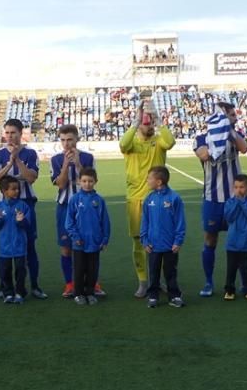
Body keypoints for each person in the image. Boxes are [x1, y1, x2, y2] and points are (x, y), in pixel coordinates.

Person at [193, 101, 247, 297]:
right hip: (213, 199)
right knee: (210, 239)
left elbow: (244, 148)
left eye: (234, 116)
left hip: (236, 199)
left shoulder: (236, 136)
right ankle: (209, 282)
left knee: (241, 241)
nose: (235, 118)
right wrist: (219, 134)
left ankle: (245, 283)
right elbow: (204, 155)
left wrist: (230, 131)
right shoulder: (202, 138)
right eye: (231, 115)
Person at [120, 100, 176, 297]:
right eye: (146, 122)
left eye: (150, 122)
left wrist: (158, 120)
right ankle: (143, 281)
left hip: (159, 200)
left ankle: (158, 280)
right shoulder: (132, 143)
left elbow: (170, 142)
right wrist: (136, 121)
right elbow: (122, 143)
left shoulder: (159, 141)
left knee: (162, 241)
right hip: (136, 199)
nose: (148, 125)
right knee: (139, 242)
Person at [0, 118, 47, 299]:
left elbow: (31, 177)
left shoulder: (30, 154)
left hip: (26, 205)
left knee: (29, 245)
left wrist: (17, 160)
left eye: (13, 132)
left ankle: (34, 286)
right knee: (5, 245)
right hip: (5, 207)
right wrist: (9, 163)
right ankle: (4, 286)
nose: (9, 136)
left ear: (21, 134)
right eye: (6, 132)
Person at [50, 124, 105, 298]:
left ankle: (92, 283)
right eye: (63, 140)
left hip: (87, 208)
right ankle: (70, 284)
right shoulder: (56, 159)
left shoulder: (88, 157)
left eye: (70, 140)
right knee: (67, 248)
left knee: (89, 245)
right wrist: (66, 164)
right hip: (65, 206)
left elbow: (90, 179)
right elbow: (60, 184)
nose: (66, 144)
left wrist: (78, 163)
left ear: (77, 140)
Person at [140, 166, 186, 308]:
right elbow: (145, 221)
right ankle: (153, 296)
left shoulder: (174, 198)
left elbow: (180, 221)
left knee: (170, 272)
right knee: (153, 272)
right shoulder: (149, 199)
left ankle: (174, 295)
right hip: (153, 245)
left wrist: (178, 241)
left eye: (149, 178)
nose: (147, 181)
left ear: (159, 182)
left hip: (170, 245)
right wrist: (145, 240)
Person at [64, 167, 110, 306]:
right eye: (84, 181)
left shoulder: (99, 200)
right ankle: (78, 294)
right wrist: (75, 236)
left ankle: (90, 292)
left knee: (92, 269)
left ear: (95, 181)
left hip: (95, 242)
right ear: (79, 182)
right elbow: (69, 222)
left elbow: (105, 222)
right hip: (79, 242)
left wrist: (105, 239)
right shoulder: (75, 199)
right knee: (78, 269)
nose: (87, 184)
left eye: (90, 181)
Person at [0, 176, 32, 304]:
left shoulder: (23, 206)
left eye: (17, 189)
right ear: (4, 191)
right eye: (13, 189)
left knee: (20, 271)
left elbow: (28, 224)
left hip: (19, 245)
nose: (17, 191)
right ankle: (7, 293)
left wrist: (21, 221)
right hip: (4, 246)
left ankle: (20, 292)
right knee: (5, 271)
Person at [222, 174, 247, 301]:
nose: (239, 190)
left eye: (242, 187)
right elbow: (229, 217)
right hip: (232, 242)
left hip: (246, 242)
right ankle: (229, 290)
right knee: (231, 269)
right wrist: (237, 203)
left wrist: (242, 202)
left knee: (246, 269)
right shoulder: (229, 202)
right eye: (236, 187)